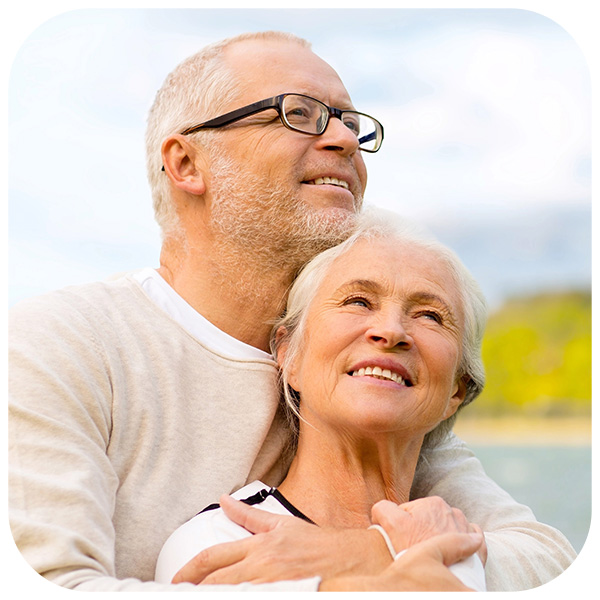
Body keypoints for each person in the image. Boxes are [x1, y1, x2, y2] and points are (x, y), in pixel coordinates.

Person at [9, 31, 575, 592]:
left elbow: (545, 559)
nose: (344, 140)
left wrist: (368, 553)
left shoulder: (360, 374)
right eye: (298, 113)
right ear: (186, 163)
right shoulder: (60, 345)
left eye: (352, 123)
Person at [155, 211, 490, 591]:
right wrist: (440, 560)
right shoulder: (222, 540)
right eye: (358, 302)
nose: (391, 331)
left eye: (430, 315)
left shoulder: (462, 535)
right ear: (289, 354)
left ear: (457, 391)